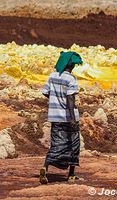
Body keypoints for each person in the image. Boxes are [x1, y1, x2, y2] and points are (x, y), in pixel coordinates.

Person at [39, 51, 83, 184]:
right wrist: (72, 119)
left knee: (56, 143)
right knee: (74, 144)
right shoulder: (71, 79)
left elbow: (45, 92)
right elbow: (70, 98)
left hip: (55, 117)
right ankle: (71, 174)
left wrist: (56, 99)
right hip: (68, 117)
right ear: (71, 66)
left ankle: (45, 168)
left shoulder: (52, 76)